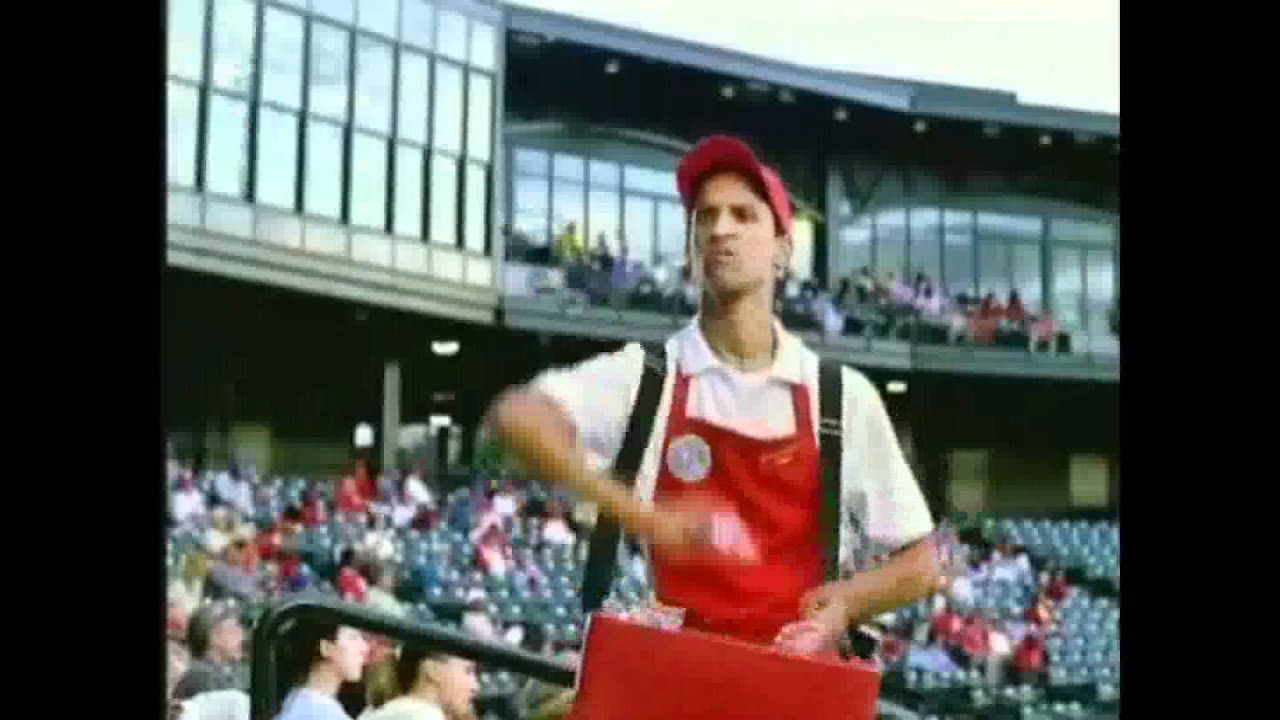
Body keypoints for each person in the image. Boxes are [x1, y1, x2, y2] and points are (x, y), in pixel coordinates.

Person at [488, 135, 939, 656]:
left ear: (783, 250)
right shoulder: (648, 377)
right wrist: (646, 518)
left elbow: (922, 563)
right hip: (680, 675)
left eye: (744, 215)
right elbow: (518, 415)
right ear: (691, 249)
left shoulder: (839, 396)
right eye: (706, 216)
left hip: (797, 682)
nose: (721, 228)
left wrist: (843, 604)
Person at [275, 618, 370, 720]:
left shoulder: (295, 701)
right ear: (326, 648)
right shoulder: (323, 713)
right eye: (353, 637)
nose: (365, 648)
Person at [361, 645, 479, 720]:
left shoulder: (381, 708)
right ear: (433, 670)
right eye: (468, 671)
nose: (475, 687)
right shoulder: (425, 715)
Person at [173, 601, 246, 700]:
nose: (242, 637)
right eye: (233, 631)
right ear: (212, 637)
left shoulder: (226, 671)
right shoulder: (203, 677)